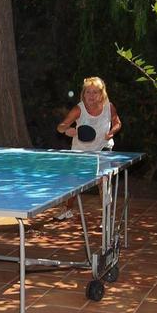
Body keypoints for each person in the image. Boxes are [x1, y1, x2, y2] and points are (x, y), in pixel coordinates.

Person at [54, 76, 121, 220]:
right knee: (73, 181)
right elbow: (60, 126)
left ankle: (107, 216)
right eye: (88, 92)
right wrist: (66, 130)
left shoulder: (109, 107)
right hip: (81, 150)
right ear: (83, 94)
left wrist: (112, 132)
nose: (91, 95)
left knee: (104, 181)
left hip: (103, 148)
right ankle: (67, 209)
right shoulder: (78, 109)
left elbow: (117, 123)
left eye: (95, 92)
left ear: (101, 94)